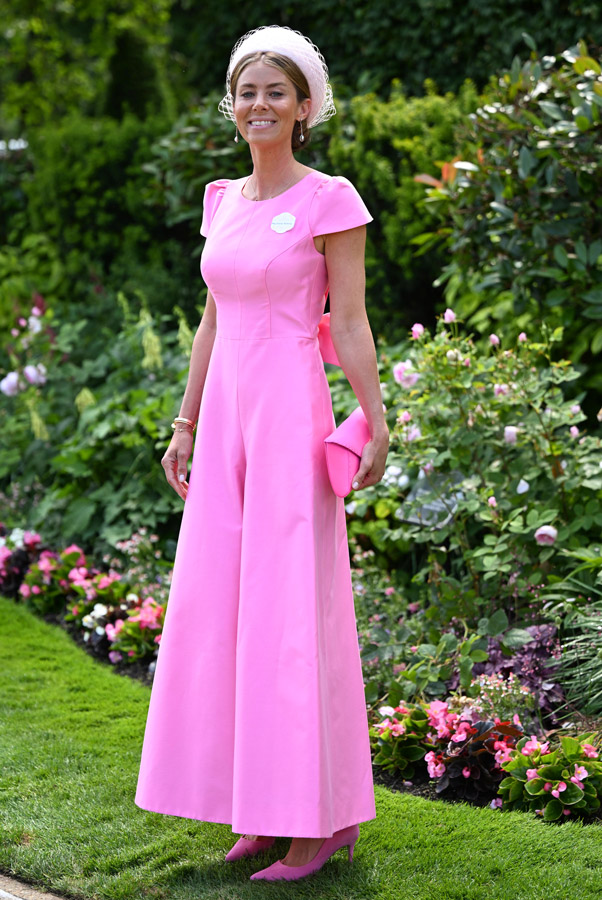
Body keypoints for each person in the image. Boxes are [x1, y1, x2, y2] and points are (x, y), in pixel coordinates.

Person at [134, 24, 389, 882]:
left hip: (289, 415)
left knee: (291, 613)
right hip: (228, 426)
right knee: (225, 612)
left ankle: (319, 823)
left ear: (305, 106)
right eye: (247, 91)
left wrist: (375, 420)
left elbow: (348, 322)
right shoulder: (219, 201)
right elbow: (211, 317)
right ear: (232, 106)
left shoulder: (331, 199)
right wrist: (185, 422)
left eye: (275, 91)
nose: (258, 105)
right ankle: (258, 808)